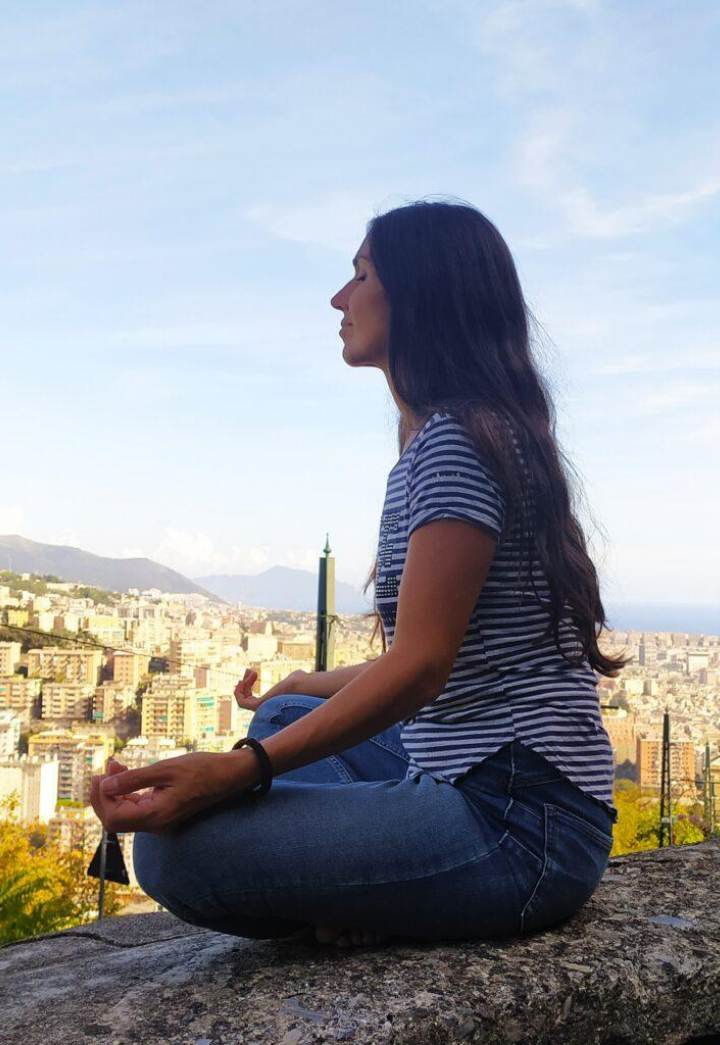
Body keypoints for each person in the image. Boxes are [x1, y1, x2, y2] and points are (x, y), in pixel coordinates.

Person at [91, 198, 631, 950]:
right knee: (285, 714)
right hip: (473, 769)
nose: (339, 298)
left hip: (520, 823)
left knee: (175, 853)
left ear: (419, 294)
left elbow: (422, 665)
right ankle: (380, 885)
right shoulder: (455, 434)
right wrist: (296, 684)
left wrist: (237, 772)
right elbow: (432, 656)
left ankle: (384, 890)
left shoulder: (457, 444)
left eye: (361, 275)